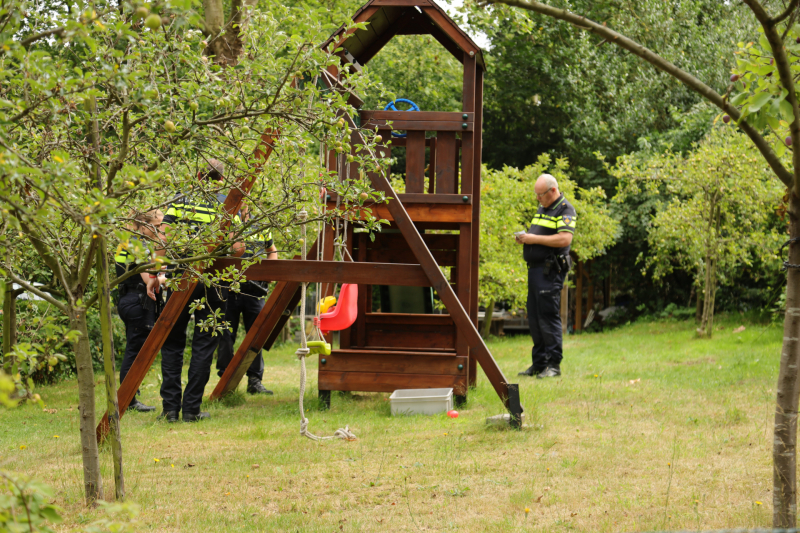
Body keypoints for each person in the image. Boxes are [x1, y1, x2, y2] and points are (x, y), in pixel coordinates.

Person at [158, 159, 243, 422]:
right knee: (204, 344)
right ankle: (191, 410)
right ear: (221, 179)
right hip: (213, 282)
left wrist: (157, 273)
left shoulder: (181, 200)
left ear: (197, 175)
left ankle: (171, 409)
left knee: (172, 342)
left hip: (179, 278)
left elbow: (163, 237)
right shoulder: (228, 205)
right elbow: (239, 248)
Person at [515, 173, 576, 379]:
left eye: (540, 195)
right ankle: (539, 363)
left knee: (548, 317)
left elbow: (564, 239)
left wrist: (532, 238)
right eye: (536, 195)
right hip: (534, 270)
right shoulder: (543, 208)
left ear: (553, 191)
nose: (538, 199)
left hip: (550, 271)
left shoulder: (565, 209)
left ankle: (553, 365)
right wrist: (525, 240)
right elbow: (540, 235)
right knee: (533, 317)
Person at [215, 199, 278, 395]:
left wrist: (268, 275)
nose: (244, 202)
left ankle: (255, 381)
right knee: (225, 335)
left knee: (257, 334)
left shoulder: (260, 223)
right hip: (229, 288)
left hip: (254, 290)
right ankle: (226, 378)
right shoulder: (225, 222)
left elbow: (271, 250)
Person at [115, 209, 166, 412]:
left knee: (133, 350)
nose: (160, 229)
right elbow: (150, 281)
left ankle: (129, 397)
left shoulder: (127, 242)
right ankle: (129, 399)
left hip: (129, 299)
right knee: (136, 352)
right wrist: (166, 278)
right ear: (144, 226)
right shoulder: (139, 246)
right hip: (137, 301)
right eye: (157, 225)